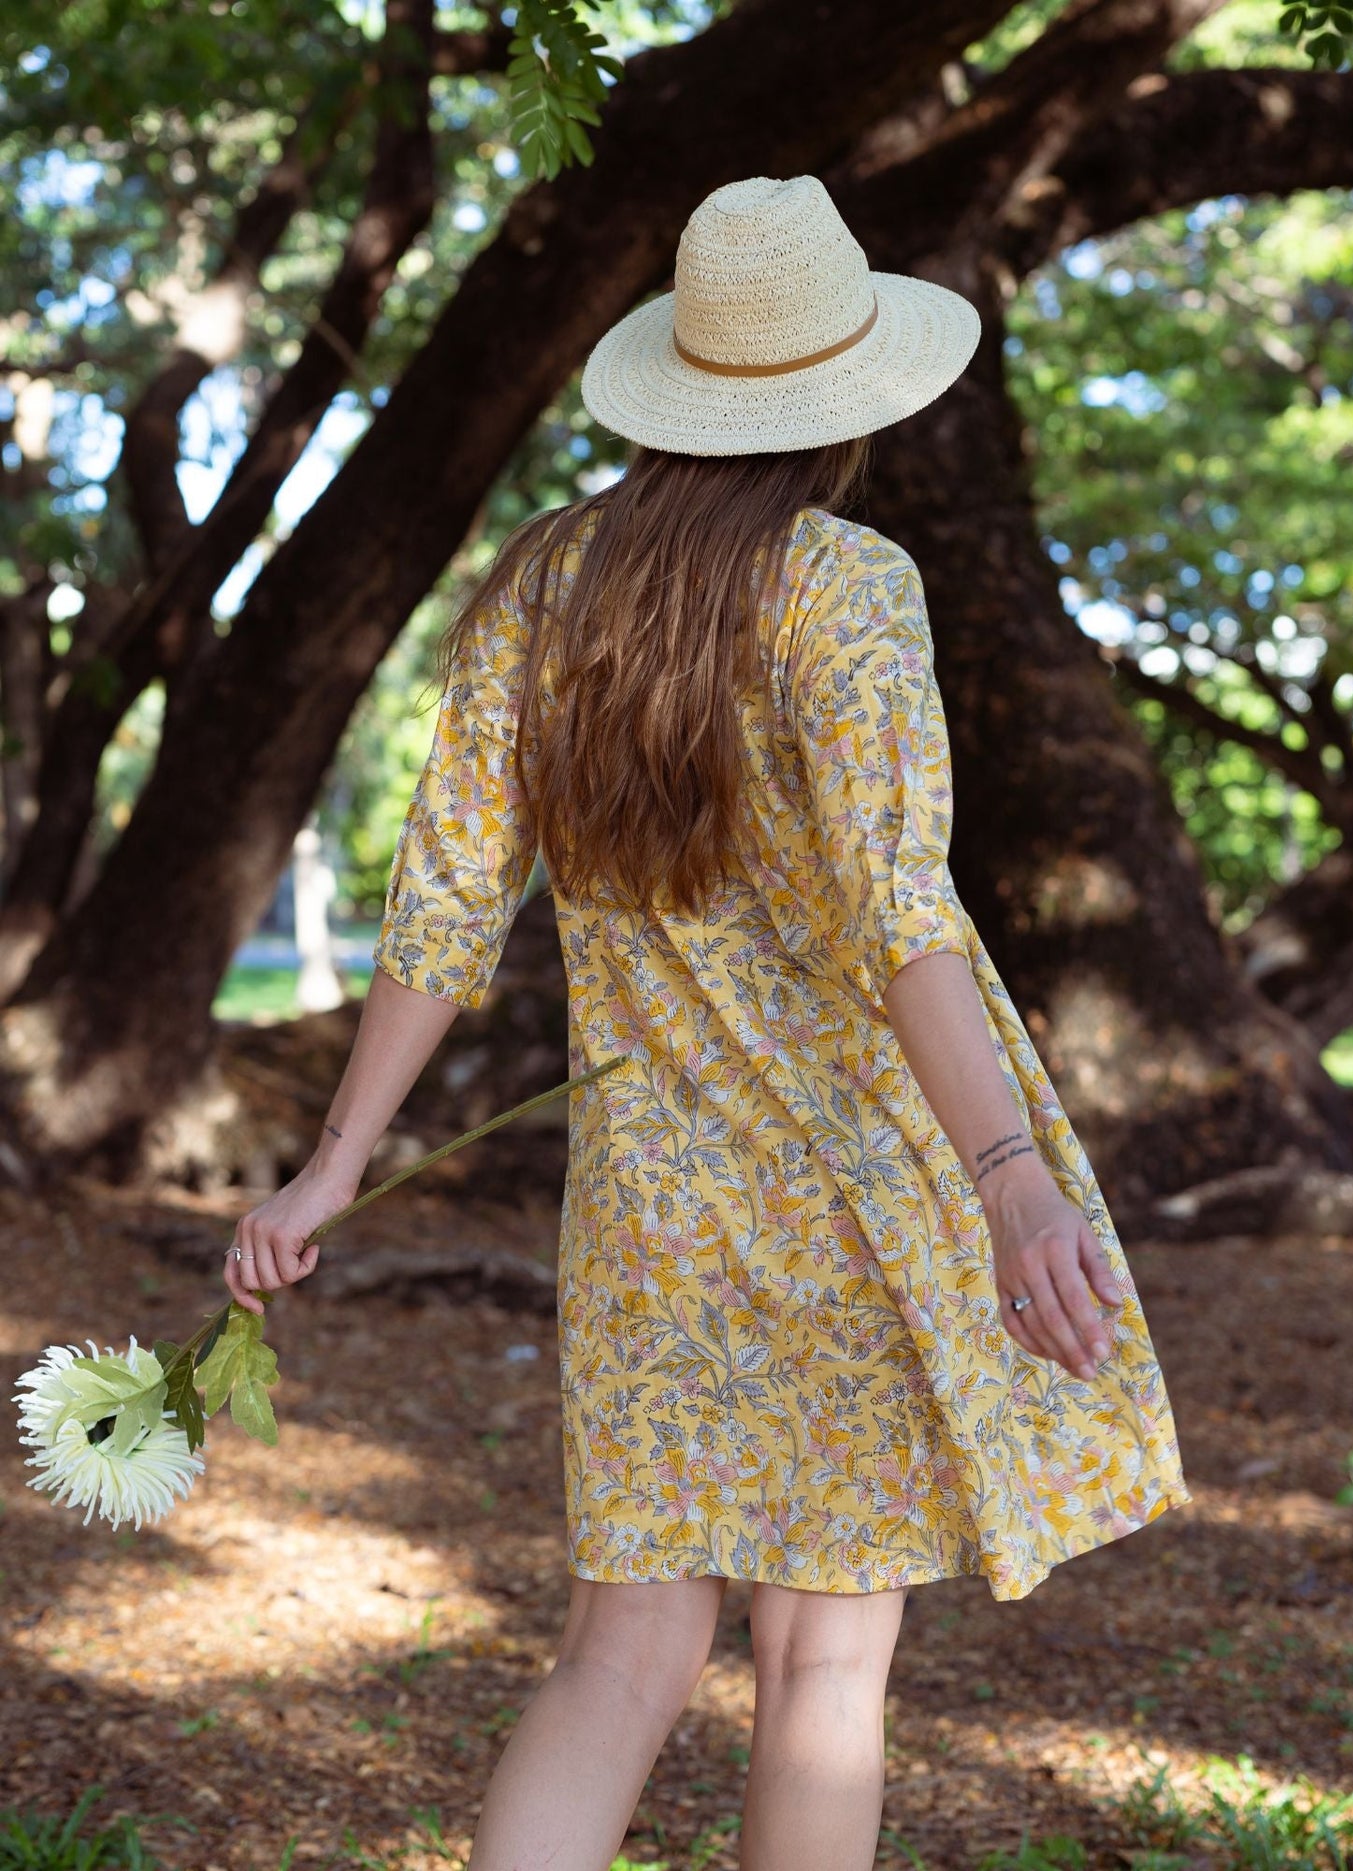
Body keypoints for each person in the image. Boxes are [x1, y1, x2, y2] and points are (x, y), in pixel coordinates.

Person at [226, 175, 1191, 1871]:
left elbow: (444, 914)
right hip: (855, 1191)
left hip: (651, 1211)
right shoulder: (846, 588)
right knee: (823, 1657)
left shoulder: (545, 589)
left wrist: (327, 1172)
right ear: (837, 399)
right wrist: (1010, 1175)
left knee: (619, 1655)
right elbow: (904, 922)